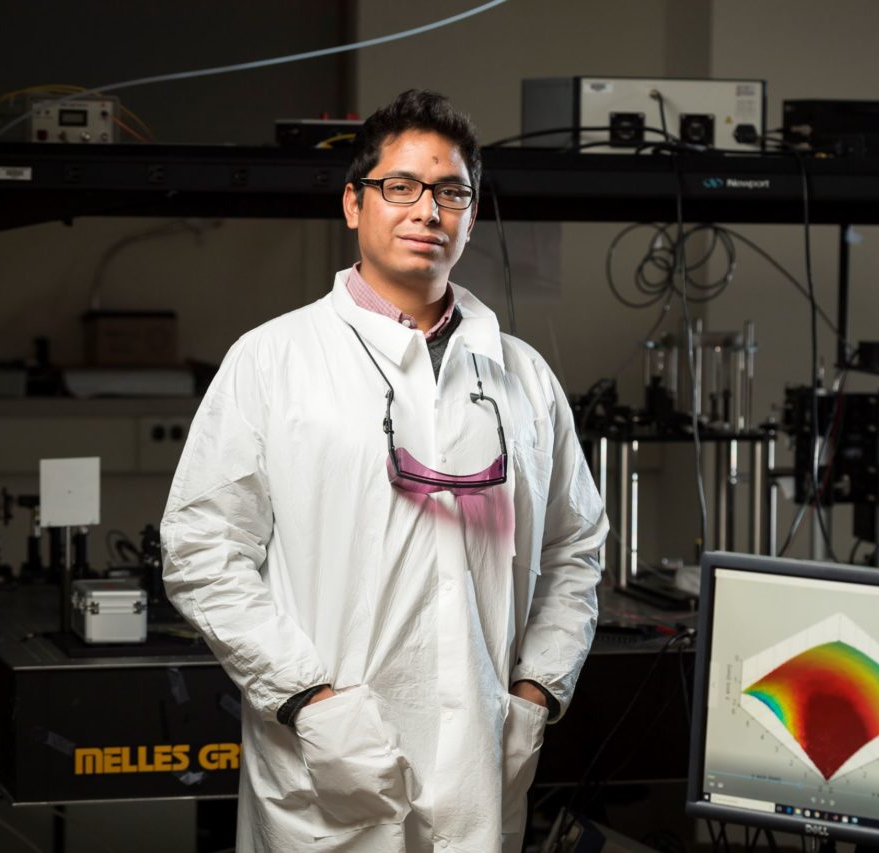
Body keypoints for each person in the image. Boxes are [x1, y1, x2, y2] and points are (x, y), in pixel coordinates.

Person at [162, 89, 607, 852]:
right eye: (400, 187)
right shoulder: (272, 360)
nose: (427, 211)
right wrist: (309, 699)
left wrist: (534, 692)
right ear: (352, 203)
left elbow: (576, 549)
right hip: (323, 766)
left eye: (452, 192)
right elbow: (202, 552)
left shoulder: (523, 378)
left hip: (481, 759)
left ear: (470, 212)